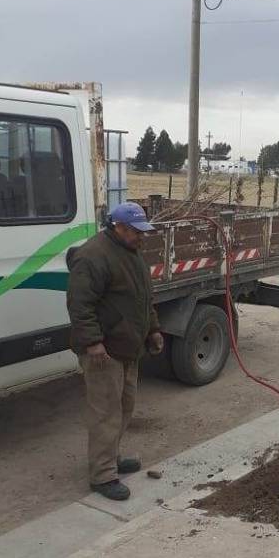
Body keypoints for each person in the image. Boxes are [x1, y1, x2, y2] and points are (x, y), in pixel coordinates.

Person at [67, 202, 163, 501]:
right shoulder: (92, 256)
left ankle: (111, 456)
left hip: (127, 348)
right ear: (119, 227)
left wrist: (153, 329)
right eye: (137, 232)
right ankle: (102, 475)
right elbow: (79, 305)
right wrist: (93, 342)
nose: (141, 238)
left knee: (124, 408)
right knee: (105, 413)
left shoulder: (130, 253)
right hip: (104, 351)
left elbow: (143, 298)